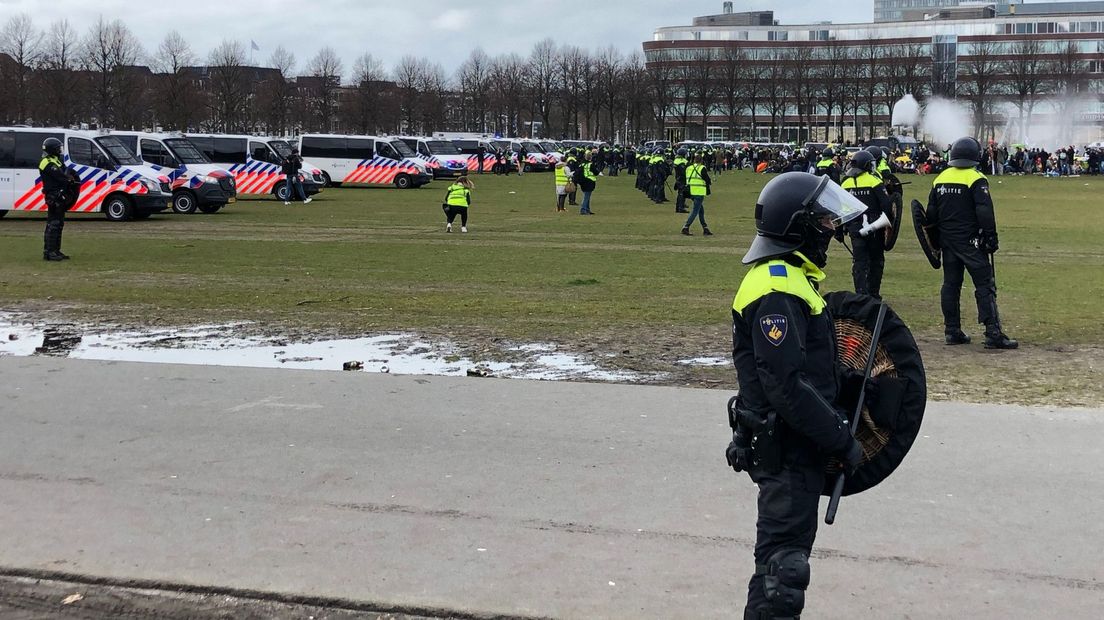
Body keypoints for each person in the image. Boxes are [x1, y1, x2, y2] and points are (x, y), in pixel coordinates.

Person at [727, 172, 867, 620]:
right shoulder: (777, 289)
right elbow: (785, 387)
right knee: (781, 577)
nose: (830, 230)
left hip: (793, 446)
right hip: (788, 453)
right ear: (798, 226)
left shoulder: (790, 279)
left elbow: (804, 372)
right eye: (823, 222)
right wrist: (841, 439)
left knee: (781, 569)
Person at [927, 137, 1018, 349]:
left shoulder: (940, 178)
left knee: (950, 285)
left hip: (948, 241)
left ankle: (952, 330)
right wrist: (991, 236)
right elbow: (984, 210)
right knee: (985, 285)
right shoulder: (976, 178)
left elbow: (930, 213)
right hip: (971, 242)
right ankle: (993, 332)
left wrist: (936, 239)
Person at [840, 150, 892, 298]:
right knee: (876, 261)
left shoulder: (845, 182)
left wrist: (840, 231)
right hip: (875, 228)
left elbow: (840, 209)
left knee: (859, 262)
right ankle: (874, 294)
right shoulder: (874, 181)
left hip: (854, 228)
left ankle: (860, 294)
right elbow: (886, 205)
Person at [40, 137, 79, 261]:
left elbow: (66, 172)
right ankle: (49, 252)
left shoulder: (56, 160)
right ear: (52, 149)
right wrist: (68, 179)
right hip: (53, 196)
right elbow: (61, 177)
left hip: (60, 195)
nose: (60, 150)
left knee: (59, 224)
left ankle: (56, 250)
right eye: (58, 148)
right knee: (54, 224)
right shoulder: (47, 162)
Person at [681, 153, 712, 236]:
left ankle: (705, 228)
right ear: (701, 160)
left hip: (691, 192)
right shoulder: (702, 168)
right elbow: (707, 179)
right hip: (699, 191)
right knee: (695, 211)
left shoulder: (689, 168)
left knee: (700, 210)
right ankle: (686, 227)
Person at [673, 148, 690, 214]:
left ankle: (678, 207)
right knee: (682, 194)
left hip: (678, 178)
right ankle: (681, 207)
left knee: (680, 193)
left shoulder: (676, 160)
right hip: (682, 179)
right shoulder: (683, 162)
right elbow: (684, 172)